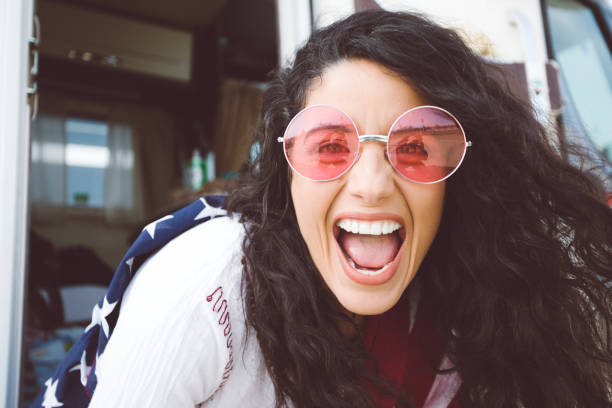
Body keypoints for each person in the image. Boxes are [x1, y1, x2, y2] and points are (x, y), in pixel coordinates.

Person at [35, 10, 611, 408]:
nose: (371, 185)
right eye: (331, 146)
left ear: (454, 178)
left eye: (413, 148)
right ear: (287, 170)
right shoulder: (208, 287)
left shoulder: (461, 302)